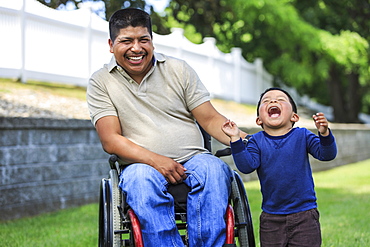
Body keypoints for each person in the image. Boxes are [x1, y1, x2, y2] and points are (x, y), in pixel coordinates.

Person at [87, 8, 246, 247]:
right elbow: (111, 140)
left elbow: (211, 119)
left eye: (143, 39)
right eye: (126, 41)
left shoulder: (178, 69)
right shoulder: (101, 81)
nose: (136, 48)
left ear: (152, 41)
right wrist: (156, 160)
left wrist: (257, 143)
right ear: (111, 45)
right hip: (139, 166)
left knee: (214, 169)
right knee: (141, 181)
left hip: (193, 158)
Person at [221, 87, 337, 247]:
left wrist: (324, 134)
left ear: (294, 116)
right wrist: (235, 139)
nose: (273, 101)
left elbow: (327, 154)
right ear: (259, 120)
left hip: (304, 215)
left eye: (280, 99)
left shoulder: (302, 135)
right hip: (271, 218)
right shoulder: (256, 141)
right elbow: (246, 166)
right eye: (266, 101)